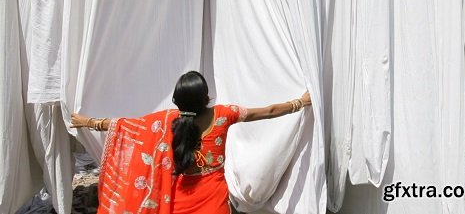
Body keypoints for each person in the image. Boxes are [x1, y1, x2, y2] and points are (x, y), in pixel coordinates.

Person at [71, 71, 311, 214]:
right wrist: (300, 103)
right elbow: (268, 111)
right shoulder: (225, 114)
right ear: (206, 98)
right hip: (213, 198)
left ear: (177, 101)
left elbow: (126, 125)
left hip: (178, 198)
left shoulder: (167, 120)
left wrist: (88, 122)